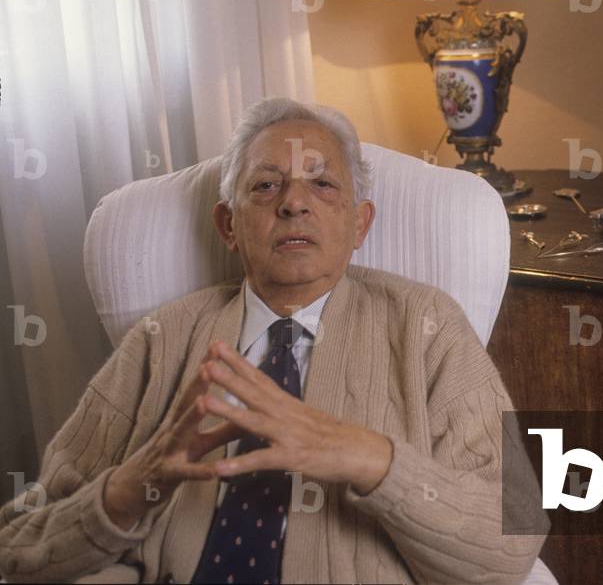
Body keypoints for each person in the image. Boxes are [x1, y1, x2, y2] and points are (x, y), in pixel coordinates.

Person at [0, 98, 546, 584]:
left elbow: (511, 546)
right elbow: (19, 546)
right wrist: (140, 479)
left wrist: (374, 461)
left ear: (360, 225)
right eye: (265, 185)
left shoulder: (428, 326)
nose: (293, 203)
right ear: (228, 226)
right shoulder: (162, 339)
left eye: (322, 183)